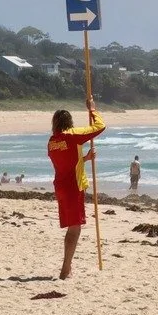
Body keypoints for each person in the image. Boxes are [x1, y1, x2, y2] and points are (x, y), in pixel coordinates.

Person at [47, 98, 106, 280]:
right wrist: (93, 110)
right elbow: (99, 127)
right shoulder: (72, 135)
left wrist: (85, 159)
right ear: (69, 122)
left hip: (61, 187)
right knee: (74, 229)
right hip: (73, 187)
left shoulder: (52, 142)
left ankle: (67, 266)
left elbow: (65, 162)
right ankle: (66, 269)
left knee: (72, 228)